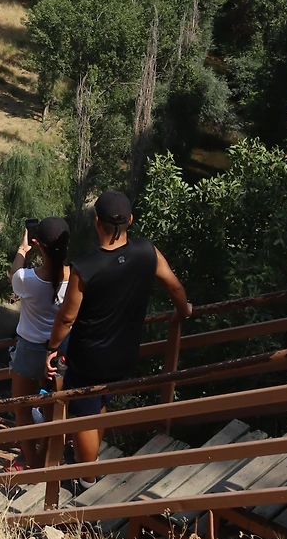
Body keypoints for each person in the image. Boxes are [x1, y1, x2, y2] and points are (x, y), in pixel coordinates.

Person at [45, 189, 193, 466]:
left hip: (88, 359)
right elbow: (174, 287)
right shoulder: (147, 251)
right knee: (99, 403)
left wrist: (52, 348)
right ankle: (88, 460)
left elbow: (66, 319)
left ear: (96, 221)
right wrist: (183, 311)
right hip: (124, 354)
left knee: (84, 415)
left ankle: (87, 477)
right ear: (130, 220)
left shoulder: (85, 267)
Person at [7, 217, 71, 468]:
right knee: (53, 408)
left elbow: (13, 274)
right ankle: (46, 458)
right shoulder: (77, 277)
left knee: (22, 408)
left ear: (39, 244)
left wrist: (23, 250)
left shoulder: (27, 279)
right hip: (61, 350)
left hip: (30, 350)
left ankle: (33, 463)